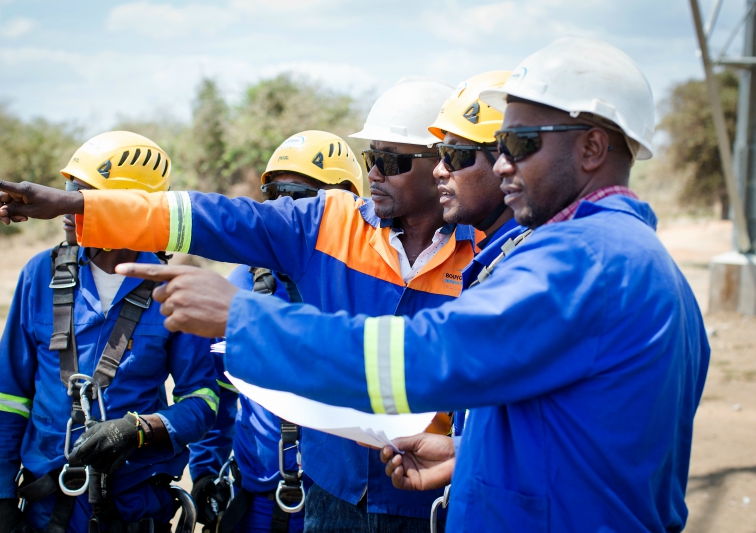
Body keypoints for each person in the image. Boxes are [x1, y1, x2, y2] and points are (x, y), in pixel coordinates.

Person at [114, 37, 709, 532]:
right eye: (496, 148)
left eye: (520, 144)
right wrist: (468, 456)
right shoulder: (641, 260)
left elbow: (428, 358)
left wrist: (243, 319)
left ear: (592, 147)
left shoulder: (583, 261)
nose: (501, 164)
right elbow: (573, 443)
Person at [0, 77, 473, 532]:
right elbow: (211, 216)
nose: (374, 173)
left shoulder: (488, 255)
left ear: (443, 165)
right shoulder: (329, 223)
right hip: (334, 495)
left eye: (391, 161)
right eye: (371, 158)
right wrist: (78, 205)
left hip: (431, 499)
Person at [0, 132, 229, 533]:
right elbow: (5, 396)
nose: (65, 205)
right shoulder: (40, 275)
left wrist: (140, 430)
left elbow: (202, 399)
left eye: (82, 197)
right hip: (46, 508)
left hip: (135, 510)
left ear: (129, 208)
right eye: (68, 190)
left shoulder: (176, 288)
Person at [188, 130, 363, 533]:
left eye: (299, 199)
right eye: (274, 195)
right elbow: (219, 387)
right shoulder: (244, 283)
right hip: (257, 500)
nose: (284, 213)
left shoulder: (358, 286)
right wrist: (205, 470)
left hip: (340, 499)